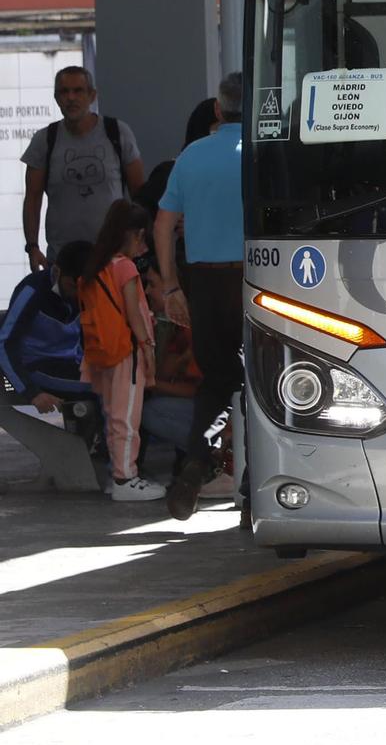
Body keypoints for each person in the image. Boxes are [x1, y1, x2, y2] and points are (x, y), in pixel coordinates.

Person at [155, 72, 247, 522]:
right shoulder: (264, 154)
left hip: (205, 283)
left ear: (217, 108)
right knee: (264, 382)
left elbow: (162, 223)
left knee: (216, 381)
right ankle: (259, 479)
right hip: (257, 280)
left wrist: (171, 285)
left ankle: (199, 459)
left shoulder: (191, 156)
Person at [20, 66, 145, 273]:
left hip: (113, 257)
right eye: (64, 92)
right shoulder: (45, 140)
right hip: (64, 260)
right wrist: (32, 247)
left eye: (78, 91)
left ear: (92, 96)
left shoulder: (117, 132)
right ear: (56, 98)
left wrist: (140, 243)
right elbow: (32, 199)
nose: (71, 98)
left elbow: (140, 193)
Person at [81, 200, 161, 501]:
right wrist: (148, 346)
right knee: (127, 417)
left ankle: (117, 475)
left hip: (103, 351)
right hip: (126, 351)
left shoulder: (97, 265)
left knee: (112, 415)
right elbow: (134, 313)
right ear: (136, 234)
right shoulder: (125, 266)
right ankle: (126, 478)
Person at [2, 240, 93, 413]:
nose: (78, 295)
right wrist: (31, 393)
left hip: (72, 363)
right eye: (73, 287)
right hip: (36, 367)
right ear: (57, 271)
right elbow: (5, 344)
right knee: (103, 389)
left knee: (118, 382)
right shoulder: (32, 290)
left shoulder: (85, 293)